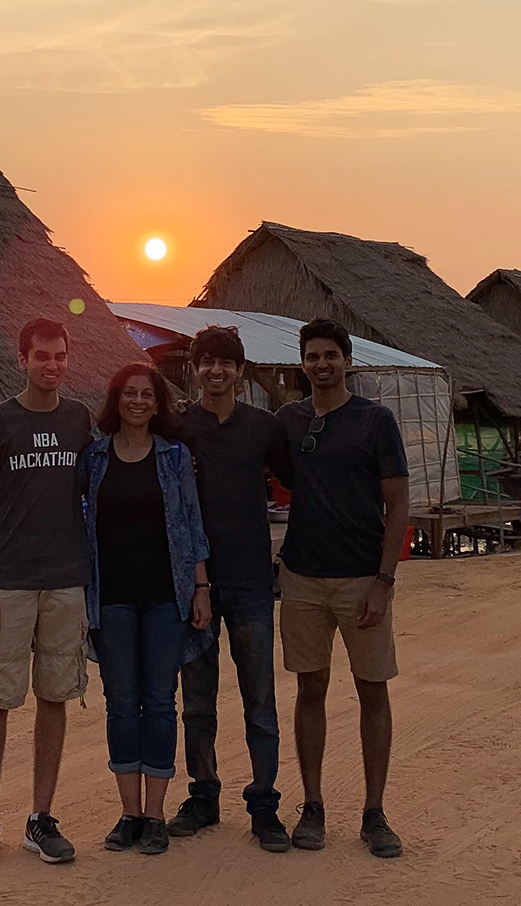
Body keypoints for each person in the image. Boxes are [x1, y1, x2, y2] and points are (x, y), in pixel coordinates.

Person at [275, 318, 410, 858]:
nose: (322, 364)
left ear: (348, 361)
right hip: (303, 576)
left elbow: (397, 503)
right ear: (302, 362)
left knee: (372, 690)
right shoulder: (288, 420)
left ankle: (375, 813)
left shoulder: (375, 421)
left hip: (360, 578)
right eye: (313, 355)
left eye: (331, 355)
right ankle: (312, 805)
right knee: (310, 690)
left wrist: (384, 581)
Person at [0, 317, 93, 868]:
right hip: (10, 584)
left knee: (55, 697)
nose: (52, 365)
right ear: (22, 360)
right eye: (42, 356)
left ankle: (41, 817)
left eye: (60, 356)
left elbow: (94, 493)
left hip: (65, 580)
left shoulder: (79, 419)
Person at [166, 325, 294, 852]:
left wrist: (290, 554)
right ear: (194, 369)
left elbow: (301, 486)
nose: (216, 370)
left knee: (259, 699)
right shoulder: (176, 428)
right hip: (192, 584)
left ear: (240, 372)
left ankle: (265, 804)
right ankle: (204, 794)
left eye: (226, 362)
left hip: (250, 582)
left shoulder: (263, 429)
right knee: (196, 700)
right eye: (206, 361)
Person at [81, 362, 213, 856]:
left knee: (159, 704)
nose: (137, 401)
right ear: (116, 400)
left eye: (147, 395)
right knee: (120, 705)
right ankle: (129, 814)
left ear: (159, 404)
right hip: (110, 598)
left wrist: (201, 587)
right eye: (129, 394)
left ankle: (156, 815)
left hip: (165, 597)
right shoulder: (93, 458)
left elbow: (192, 523)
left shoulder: (175, 457)